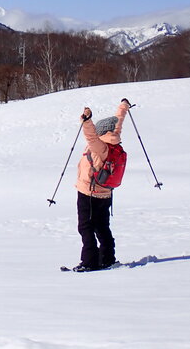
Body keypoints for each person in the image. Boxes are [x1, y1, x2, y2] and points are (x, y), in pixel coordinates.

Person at [72, 98, 131, 272]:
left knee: (86, 227)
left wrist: (86, 120)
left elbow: (90, 134)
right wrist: (123, 106)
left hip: (88, 193)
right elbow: (118, 121)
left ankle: (89, 261)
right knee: (102, 226)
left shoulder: (99, 146)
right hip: (106, 194)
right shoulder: (114, 141)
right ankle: (107, 258)